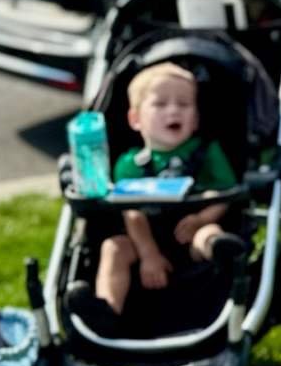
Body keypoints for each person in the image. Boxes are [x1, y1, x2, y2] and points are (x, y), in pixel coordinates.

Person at [67, 62, 242, 335]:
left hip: (189, 234)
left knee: (210, 233)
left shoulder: (206, 152)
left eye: (184, 104)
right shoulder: (129, 164)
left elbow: (224, 194)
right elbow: (132, 214)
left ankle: (223, 255)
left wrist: (200, 218)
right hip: (145, 240)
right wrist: (148, 254)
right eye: (160, 104)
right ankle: (106, 310)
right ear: (135, 119)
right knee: (114, 247)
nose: (173, 110)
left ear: (195, 118)